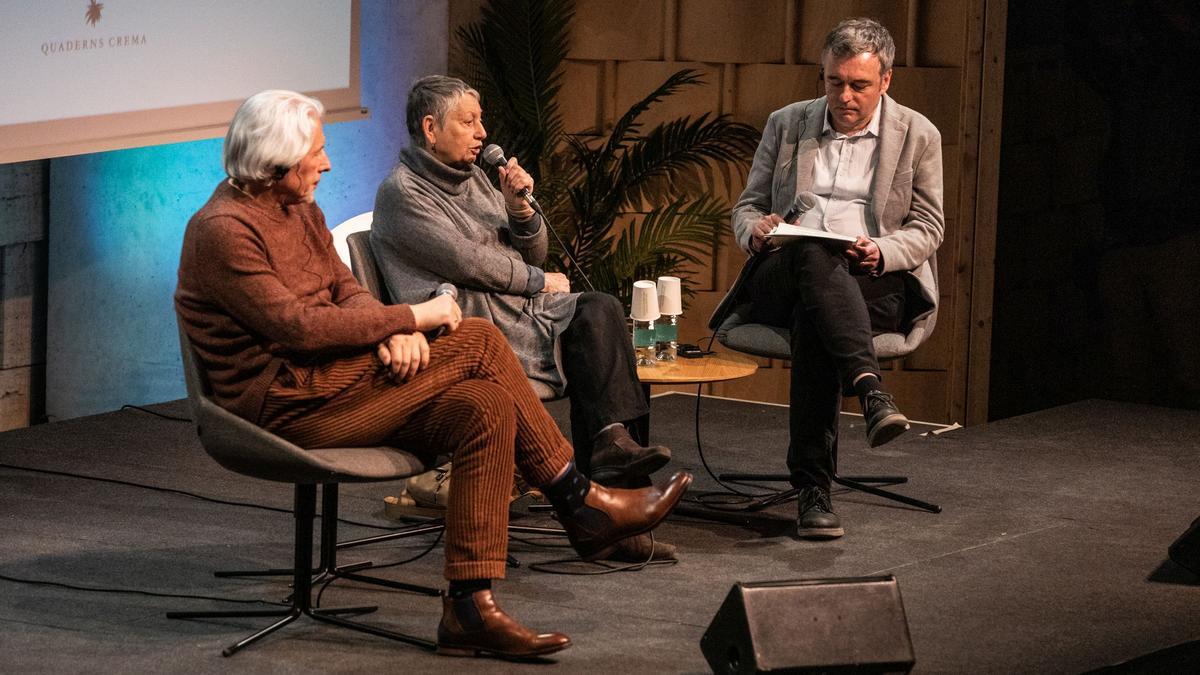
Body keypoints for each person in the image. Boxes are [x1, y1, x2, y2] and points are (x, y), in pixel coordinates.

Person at [174, 89, 692, 660]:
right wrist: (412, 317)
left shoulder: (300, 209)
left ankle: (471, 607)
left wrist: (388, 329)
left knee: (484, 408)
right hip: (284, 404)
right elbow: (297, 327)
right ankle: (581, 501)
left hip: (335, 381)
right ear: (276, 159)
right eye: (315, 153)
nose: (326, 164)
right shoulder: (223, 229)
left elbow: (346, 291)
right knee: (473, 339)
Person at [370, 75, 675, 559]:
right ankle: (616, 520)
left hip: (519, 311)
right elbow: (470, 263)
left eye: (481, 120)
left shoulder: (474, 178)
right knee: (589, 329)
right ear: (430, 128)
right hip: (472, 326)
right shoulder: (403, 193)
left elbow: (532, 253)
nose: (482, 133)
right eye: (468, 122)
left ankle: (611, 452)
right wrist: (539, 282)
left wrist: (519, 209)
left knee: (600, 310)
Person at [725, 18, 944, 539]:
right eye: (834, 82)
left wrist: (882, 249)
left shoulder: (918, 135)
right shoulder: (787, 123)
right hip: (784, 269)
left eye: (859, 85)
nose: (844, 96)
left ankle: (812, 489)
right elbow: (748, 205)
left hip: (872, 278)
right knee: (812, 255)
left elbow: (928, 226)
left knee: (816, 313)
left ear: (886, 81)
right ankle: (870, 390)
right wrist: (753, 229)